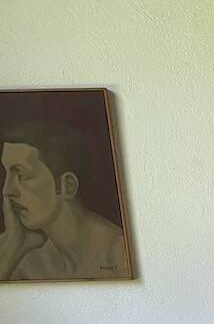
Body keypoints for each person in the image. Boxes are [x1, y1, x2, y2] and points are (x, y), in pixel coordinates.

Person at [0, 119, 130, 280]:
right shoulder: (20, 255)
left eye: (22, 175)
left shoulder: (120, 254)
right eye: (7, 175)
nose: (7, 191)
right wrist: (13, 246)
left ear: (67, 186)